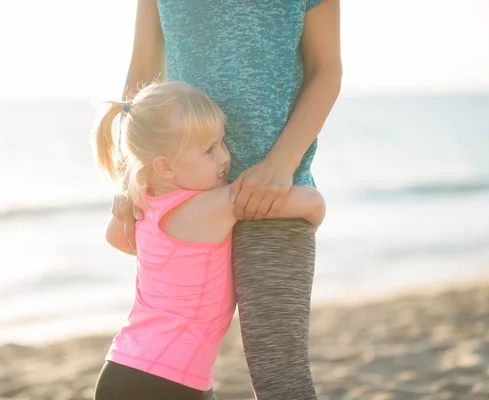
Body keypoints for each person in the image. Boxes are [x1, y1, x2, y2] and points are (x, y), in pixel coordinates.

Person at [114, 1, 342, 399]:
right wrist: (128, 174)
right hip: (185, 195)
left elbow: (326, 69)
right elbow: (141, 78)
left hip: (273, 193)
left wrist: (281, 164)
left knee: (280, 376)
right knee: (177, 356)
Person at [92, 81, 326, 400]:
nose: (225, 158)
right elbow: (311, 202)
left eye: (221, 143)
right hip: (164, 383)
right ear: (165, 166)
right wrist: (312, 222)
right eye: (209, 150)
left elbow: (116, 237)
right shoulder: (213, 206)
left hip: (127, 367)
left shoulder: (144, 205)